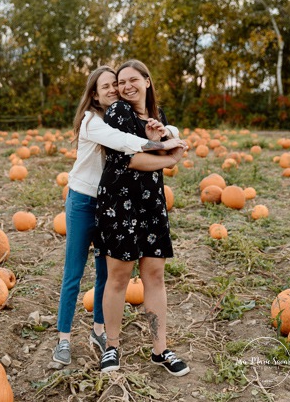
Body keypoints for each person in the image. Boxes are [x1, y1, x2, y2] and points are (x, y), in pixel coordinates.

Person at [52, 65, 185, 366]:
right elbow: (127, 150)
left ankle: (102, 333)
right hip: (88, 200)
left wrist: (169, 133)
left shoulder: (146, 115)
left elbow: (165, 131)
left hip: (132, 202)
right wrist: (167, 148)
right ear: (95, 95)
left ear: (148, 82)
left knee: (107, 274)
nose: (117, 88)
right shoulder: (96, 121)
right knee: (76, 272)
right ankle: (64, 338)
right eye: (111, 85)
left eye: (122, 82)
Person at [95, 59, 190, 376]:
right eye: (121, 82)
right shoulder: (117, 112)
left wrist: (168, 147)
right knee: (119, 277)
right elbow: (132, 160)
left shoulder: (157, 117)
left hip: (151, 203)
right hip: (119, 203)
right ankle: (112, 346)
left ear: (147, 81)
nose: (125, 86)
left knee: (155, 276)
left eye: (133, 79)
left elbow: (165, 157)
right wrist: (169, 155)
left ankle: (160, 349)